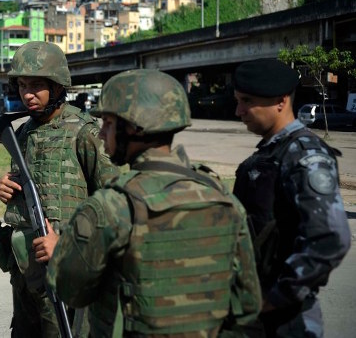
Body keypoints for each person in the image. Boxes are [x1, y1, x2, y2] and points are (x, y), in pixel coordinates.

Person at [39, 69, 261, 337]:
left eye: (108, 123)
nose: (101, 134)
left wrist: (60, 251)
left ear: (133, 127)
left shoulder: (111, 206)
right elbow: (248, 305)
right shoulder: (222, 198)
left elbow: (71, 291)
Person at [0, 41, 118, 338]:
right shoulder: (23, 131)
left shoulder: (84, 131)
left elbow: (113, 204)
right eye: (22, 85)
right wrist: (2, 185)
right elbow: (28, 181)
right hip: (25, 268)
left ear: (57, 86)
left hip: (64, 266)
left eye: (36, 85)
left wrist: (69, 246)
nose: (27, 94)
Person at [232, 58, 351, 338]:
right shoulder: (272, 152)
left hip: (287, 321)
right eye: (237, 101)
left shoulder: (304, 155)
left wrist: (275, 297)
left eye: (247, 101)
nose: (239, 111)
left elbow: (331, 237)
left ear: (281, 101)